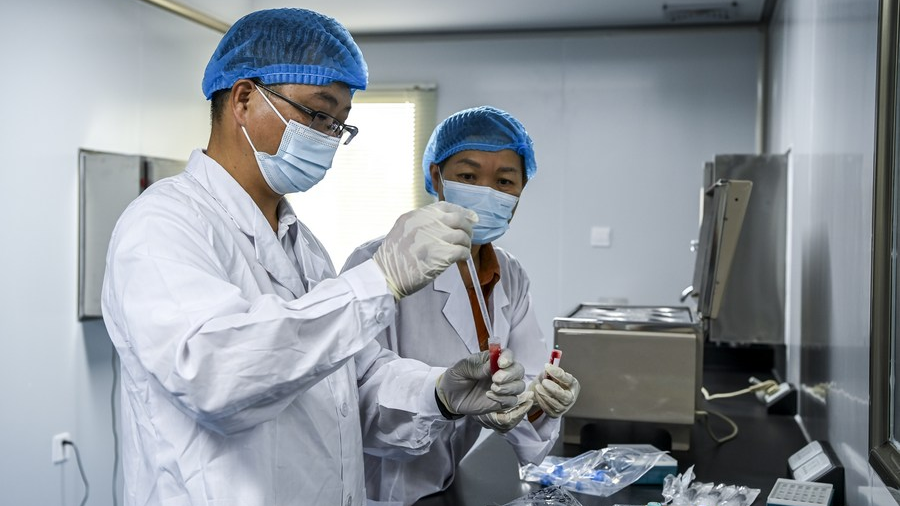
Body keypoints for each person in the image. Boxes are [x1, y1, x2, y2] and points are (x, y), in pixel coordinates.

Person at [101, 10, 529, 506]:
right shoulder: (163, 224)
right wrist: (380, 278)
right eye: (319, 114)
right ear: (244, 99)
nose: (329, 138)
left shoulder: (303, 245)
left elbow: (349, 385)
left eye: (339, 125)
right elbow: (216, 374)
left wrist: (439, 392)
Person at [343, 106, 582, 506]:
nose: (487, 192)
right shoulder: (380, 262)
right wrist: (440, 394)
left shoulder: (509, 272)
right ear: (437, 177)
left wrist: (542, 403)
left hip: (457, 483)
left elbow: (527, 375)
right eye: (469, 177)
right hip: (383, 488)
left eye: (505, 180)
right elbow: (353, 397)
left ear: (521, 191)